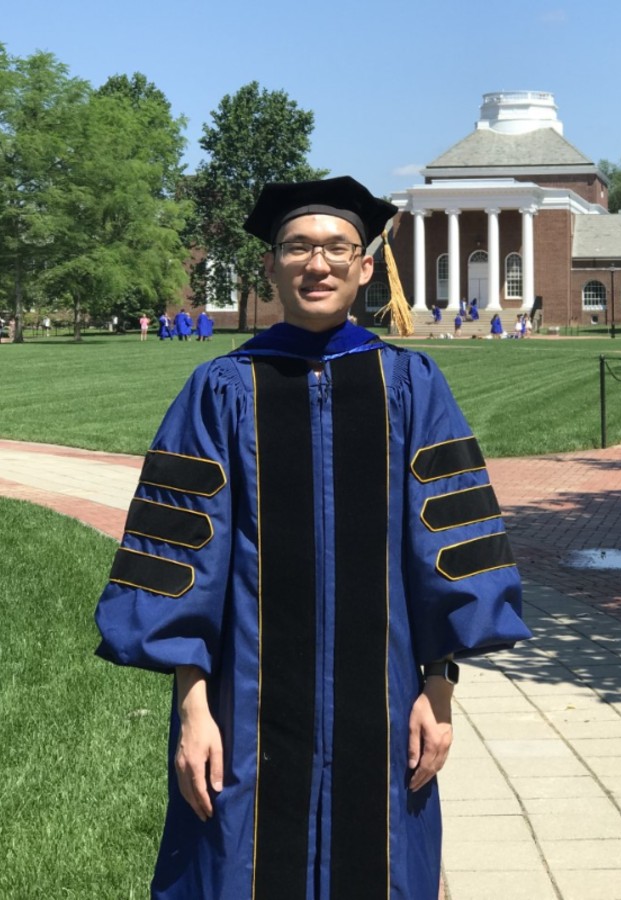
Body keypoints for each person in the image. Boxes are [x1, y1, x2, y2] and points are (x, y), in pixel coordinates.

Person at [94, 175, 530, 900]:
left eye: (336, 247)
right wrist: (192, 712)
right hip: (243, 709)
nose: (316, 263)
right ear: (270, 266)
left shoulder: (412, 386)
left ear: (365, 267)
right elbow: (182, 560)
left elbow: (450, 550)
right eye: (297, 247)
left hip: (386, 704)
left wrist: (439, 686)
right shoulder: (221, 391)